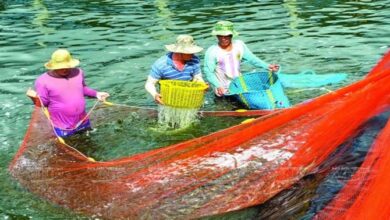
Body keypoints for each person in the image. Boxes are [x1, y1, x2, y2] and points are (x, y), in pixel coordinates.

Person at [27, 49, 110, 137]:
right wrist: (34, 98)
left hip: (83, 121)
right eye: (61, 67)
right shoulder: (42, 81)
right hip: (63, 127)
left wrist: (96, 94)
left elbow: (82, 88)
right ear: (53, 66)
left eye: (67, 66)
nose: (64, 69)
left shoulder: (78, 73)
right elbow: (43, 103)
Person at [204, 20, 280, 97]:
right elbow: (208, 72)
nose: (223, 38)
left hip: (239, 85)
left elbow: (252, 59)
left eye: (226, 35)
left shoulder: (239, 45)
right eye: (220, 35)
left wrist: (267, 66)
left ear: (231, 35)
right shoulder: (212, 52)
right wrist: (218, 86)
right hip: (222, 90)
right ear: (217, 36)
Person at [145, 34, 206, 104]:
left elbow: (197, 78)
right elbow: (150, 83)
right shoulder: (161, 64)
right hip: (168, 98)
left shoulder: (194, 59)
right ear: (179, 52)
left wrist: (202, 85)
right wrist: (155, 94)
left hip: (188, 98)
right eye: (189, 52)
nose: (192, 54)